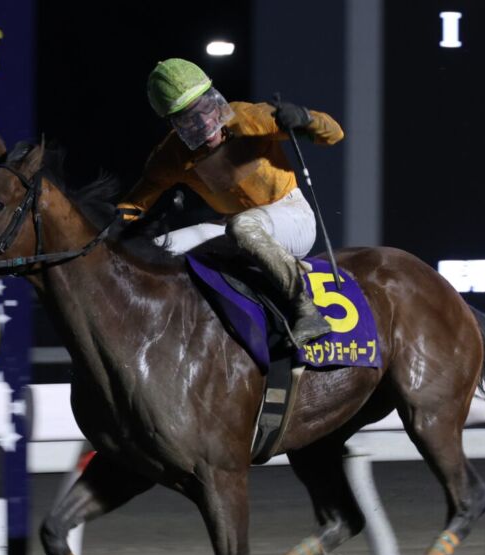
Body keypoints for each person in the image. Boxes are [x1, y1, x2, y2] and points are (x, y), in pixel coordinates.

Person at [117, 58, 344, 346]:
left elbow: (335, 134)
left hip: (290, 215)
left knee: (242, 226)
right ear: (174, 125)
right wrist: (109, 231)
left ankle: (306, 310)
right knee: (159, 250)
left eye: (207, 109)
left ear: (216, 100)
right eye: (189, 119)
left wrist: (305, 118)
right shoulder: (170, 156)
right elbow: (132, 207)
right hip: (232, 230)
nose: (205, 123)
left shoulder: (251, 117)